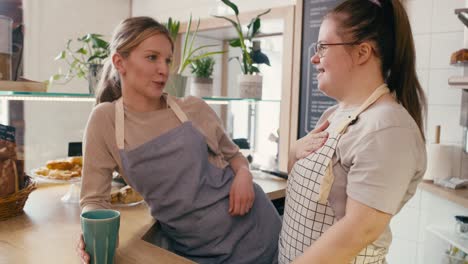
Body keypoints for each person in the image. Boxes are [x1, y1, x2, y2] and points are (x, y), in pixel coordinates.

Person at [76, 16, 281, 264]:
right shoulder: (105, 120)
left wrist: (244, 176)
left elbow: (234, 155)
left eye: (168, 59)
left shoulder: (193, 108)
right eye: (152, 57)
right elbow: (94, 200)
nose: (164, 69)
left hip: (258, 230)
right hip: (198, 251)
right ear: (120, 62)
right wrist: (95, 235)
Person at [279, 0, 427, 263]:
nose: (314, 57)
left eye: (323, 47)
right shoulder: (334, 115)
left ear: (362, 53)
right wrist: (293, 151)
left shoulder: (388, 128)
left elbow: (359, 230)